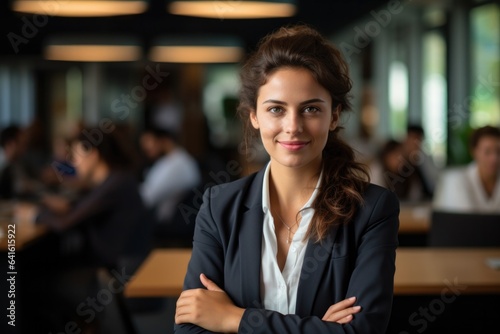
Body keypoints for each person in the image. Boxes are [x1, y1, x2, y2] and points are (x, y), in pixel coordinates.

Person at [174, 25, 399, 334]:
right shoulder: (219, 206)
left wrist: (233, 319)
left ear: (334, 116)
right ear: (254, 115)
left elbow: (363, 331)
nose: (293, 127)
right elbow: (190, 327)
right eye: (276, 109)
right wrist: (319, 328)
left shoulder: (372, 209)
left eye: (310, 109)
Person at [139, 126, 201, 224]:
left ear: (164, 141)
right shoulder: (175, 161)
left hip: (168, 223)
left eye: (150, 143)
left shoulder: (176, 165)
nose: (146, 148)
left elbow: (148, 198)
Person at [433, 125, 500, 212]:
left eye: (498, 151)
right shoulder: (455, 181)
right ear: (474, 152)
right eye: (487, 152)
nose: (494, 158)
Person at [397, 124, 438, 201]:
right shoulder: (397, 158)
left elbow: (434, 182)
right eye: (412, 139)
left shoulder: (425, 159)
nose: (414, 144)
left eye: (418, 140)